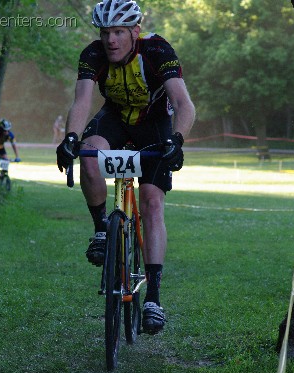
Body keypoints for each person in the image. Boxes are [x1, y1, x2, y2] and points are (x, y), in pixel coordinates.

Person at [56, 0, 195, 335]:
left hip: (155, 125)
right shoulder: (93, 55)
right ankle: (102, 229)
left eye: (119, 32)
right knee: (89, 156)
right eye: (105, 33)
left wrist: (178, 140)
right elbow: (82, 101)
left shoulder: (158, 51)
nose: (111, 40)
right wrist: (70, 138)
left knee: (150, 202)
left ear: (135, 31)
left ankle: (154, 299)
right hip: (115, 119)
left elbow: (183, 103)